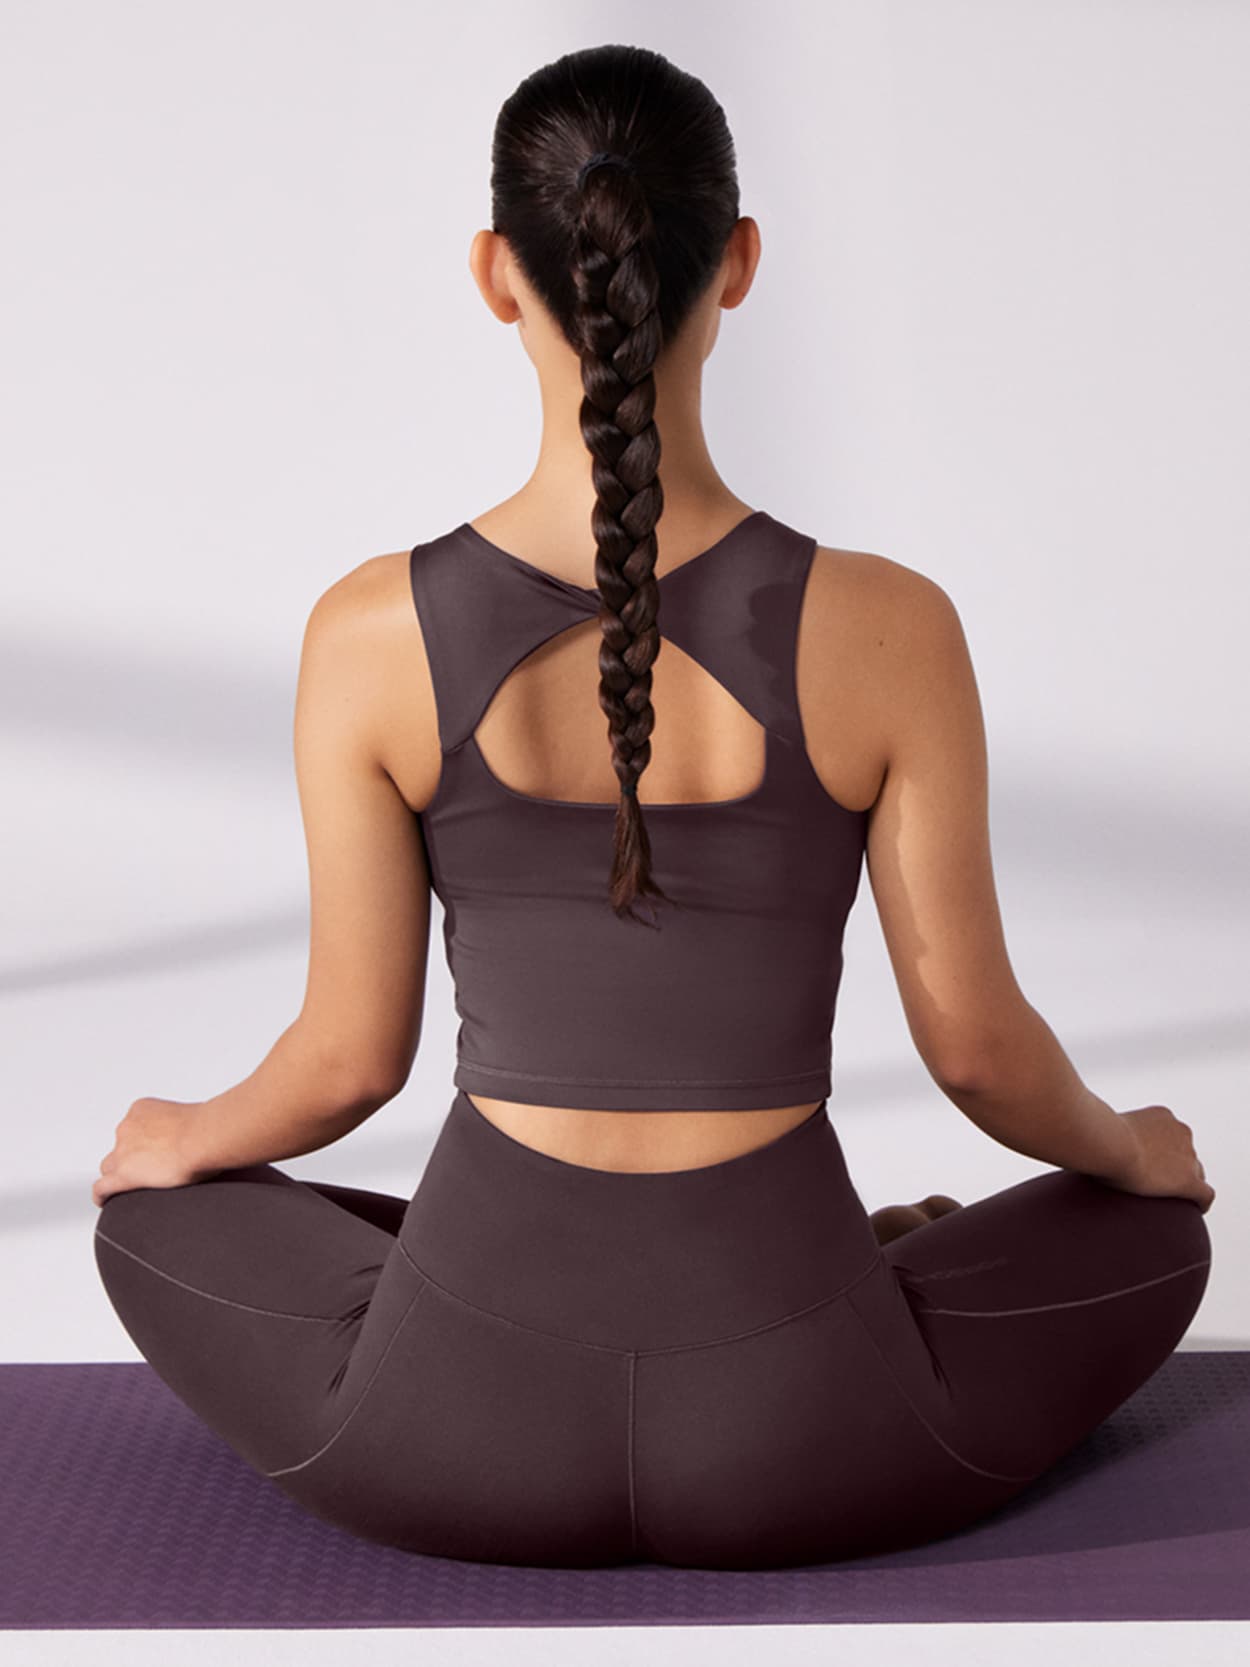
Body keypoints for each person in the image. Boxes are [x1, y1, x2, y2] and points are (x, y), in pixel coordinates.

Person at [91, 43, 1214, 1571]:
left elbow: (348, 1062)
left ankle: (535, 1274)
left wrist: (186, 1133)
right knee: (1148, 1234)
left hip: (444, 1436)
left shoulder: (368, 634)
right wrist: (1130, 1144)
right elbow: (978, 1054)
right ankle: (855, 1266)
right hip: (819, 1438)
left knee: (158, 1214)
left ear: (497, 274)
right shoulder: (887, 626)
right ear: (737, 262)